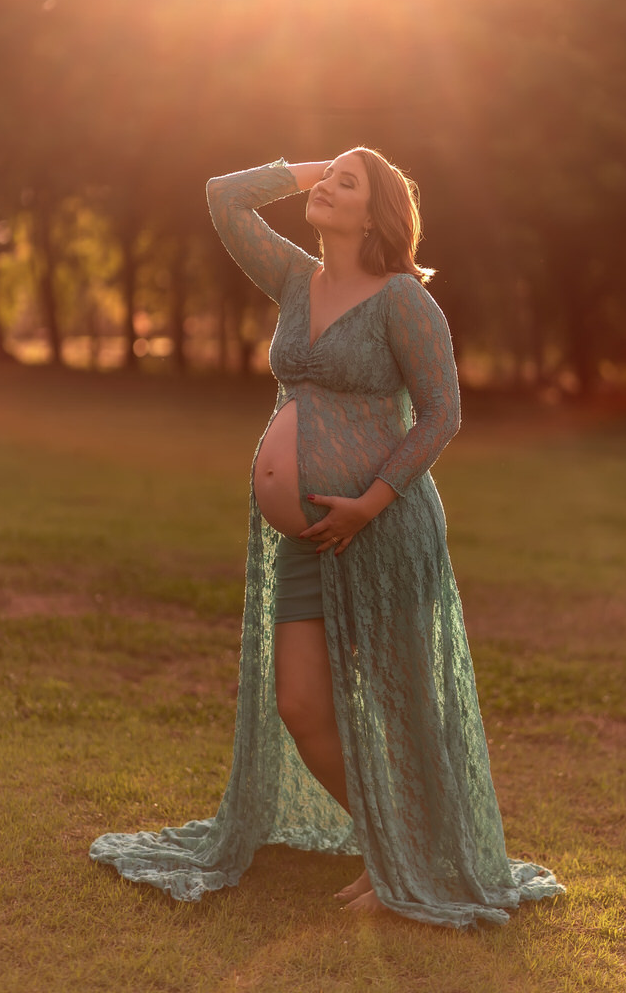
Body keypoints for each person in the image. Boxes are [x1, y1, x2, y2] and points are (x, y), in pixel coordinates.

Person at [90, 149, 564, 927]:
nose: (329, 188)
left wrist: (368, 503)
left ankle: (403, 858)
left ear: (377, 216)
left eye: (350, 184)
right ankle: (394, 841)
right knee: (302, 703)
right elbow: (223, 199)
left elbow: (441, 414)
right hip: (307, 539)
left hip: (380, 528)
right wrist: (315, 166)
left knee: (397, 703)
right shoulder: (293, 279)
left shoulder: (404, 301)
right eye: (328, 180)